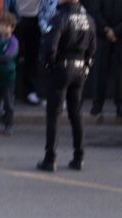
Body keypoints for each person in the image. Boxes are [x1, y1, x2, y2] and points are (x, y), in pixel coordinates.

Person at [41, 0, 97, 170]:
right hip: (80, 68)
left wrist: (49, 64)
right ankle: (79, 157)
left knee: (54, 114)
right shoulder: (88, 18)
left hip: (62, 67)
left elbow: (51, 46)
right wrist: (86, 65)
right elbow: (93, 48)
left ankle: (50, 159)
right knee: (76, 114)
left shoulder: (61, 17)